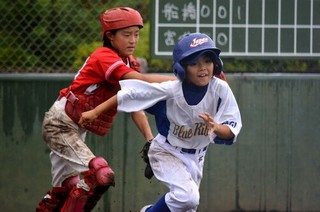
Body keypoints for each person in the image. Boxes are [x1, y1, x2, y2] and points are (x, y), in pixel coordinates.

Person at [78, 32, 242, 212]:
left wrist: (217, 128)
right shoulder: (172, 89)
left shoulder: (220, 89)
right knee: (187, 198)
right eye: (194, 63)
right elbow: (130, 94)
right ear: (182, 68)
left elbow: (231, 129)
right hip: (167, 151)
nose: (202, 68)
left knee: (186, 206)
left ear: (216, 64)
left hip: (197, 157)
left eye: (207, 61)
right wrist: (95, 111)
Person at [36, 7, 176, 212]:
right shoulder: (104, 56)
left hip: (75, 128)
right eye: (126, 35)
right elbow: (143, 81)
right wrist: (184, 80)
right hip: (60, 124)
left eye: (136, 34)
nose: (133, 40)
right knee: (100, 175)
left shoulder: (128, 62)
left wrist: (149, 139)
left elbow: (134, 104)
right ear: (110, 36)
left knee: (65, 189)